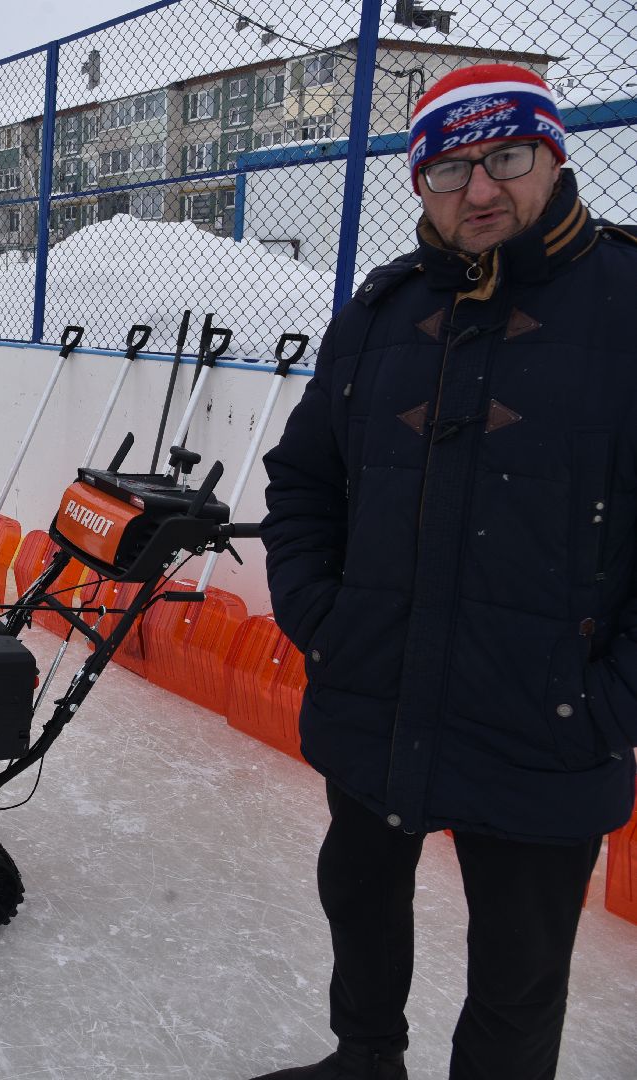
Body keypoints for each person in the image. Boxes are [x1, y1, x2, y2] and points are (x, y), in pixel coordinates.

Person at [257, 64, 637, 1080]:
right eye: (448, 168)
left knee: (517, 977)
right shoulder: (382, 313)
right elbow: (302, 482)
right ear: (418, 184)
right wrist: (321, 618)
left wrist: (609, 699)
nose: (479, 190)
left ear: (554, 155)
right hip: (378, 689)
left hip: (549, 718)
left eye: (505, 158)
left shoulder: (625, 305)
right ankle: (364, 1060)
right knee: (360, 899)